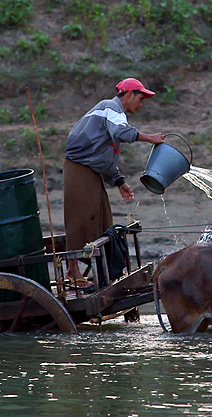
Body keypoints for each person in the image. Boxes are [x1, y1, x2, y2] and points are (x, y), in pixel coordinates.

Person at [62, 77, 165, 285]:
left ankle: (101, 272)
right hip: (79, 169)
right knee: (80, 217)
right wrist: (149, 138)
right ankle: (72, 273)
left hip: (91, 172)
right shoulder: (111, 107)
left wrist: (119, 181)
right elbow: (122, 133)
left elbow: (105, 158)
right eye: (140, 98)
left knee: (101, 219)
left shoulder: (115, 117)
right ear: (128, 94)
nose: (141, 104)